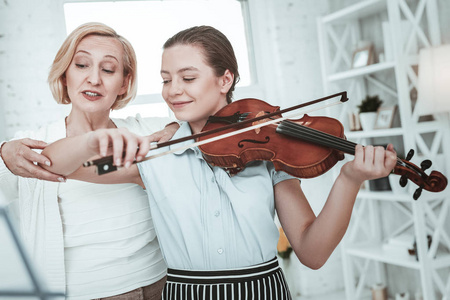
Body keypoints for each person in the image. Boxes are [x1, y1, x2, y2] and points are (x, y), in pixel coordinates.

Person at [40, 25, 398, 299]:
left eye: (188, 78)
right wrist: (89, 140)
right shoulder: (155, 155)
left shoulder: (268, 152)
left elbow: (312, 251)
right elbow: (53, 164)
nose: (173, 90)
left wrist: (350, 179)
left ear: (225, 79)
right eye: (166, 80)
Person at [0, 22, 180, 299]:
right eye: (82, 65)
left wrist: (176, 128)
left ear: (125, 83)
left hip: (160, 285)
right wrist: (2, 150)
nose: (94, 79)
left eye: (108, 70)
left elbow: (194, 127)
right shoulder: (32, 142)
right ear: (64, 76)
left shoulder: (144, 131)